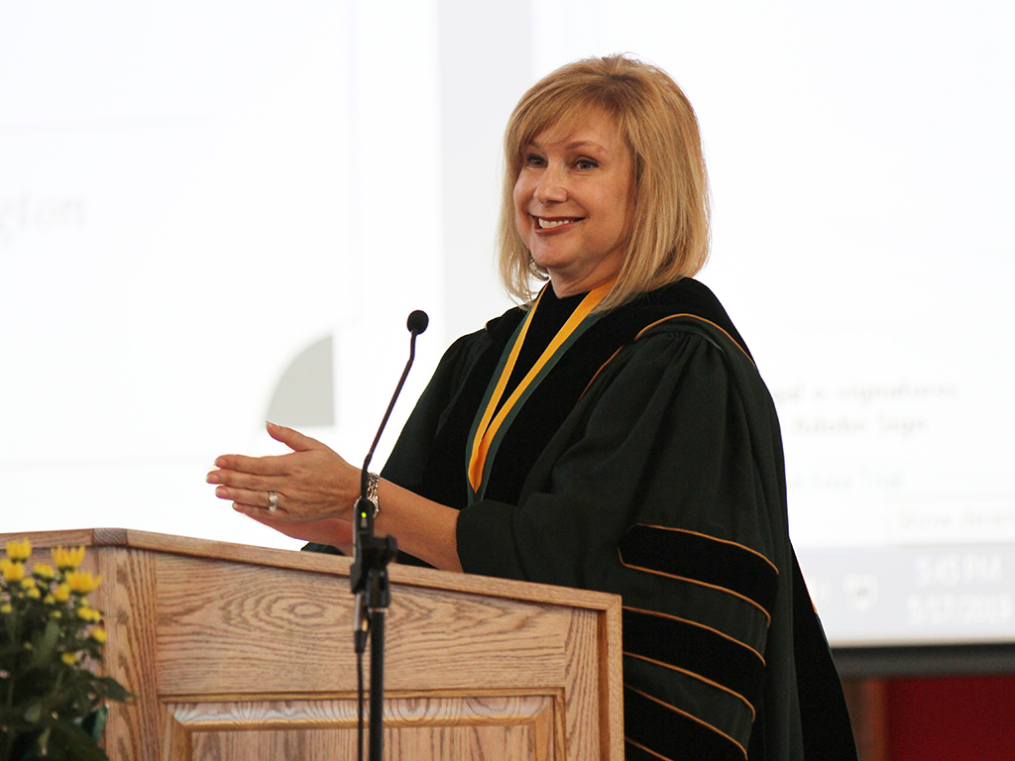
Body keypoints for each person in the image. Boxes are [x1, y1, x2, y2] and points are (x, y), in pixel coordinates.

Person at [208, 54, 857, 760]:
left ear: (652, 186)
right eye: (531, 160)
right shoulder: (481, 358)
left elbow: (574, 561)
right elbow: (412, 529)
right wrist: (340, 526)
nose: (544, 189)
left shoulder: (681, 358)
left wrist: (368, 501)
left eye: (582, 164)